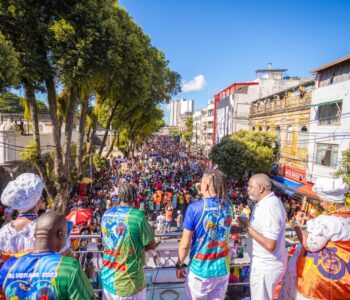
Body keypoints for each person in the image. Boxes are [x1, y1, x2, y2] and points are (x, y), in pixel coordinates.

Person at [279, 178, 350, 300]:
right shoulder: (346, 216)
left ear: (332, 203)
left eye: (322, 201)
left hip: (321, 278)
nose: (321, 204)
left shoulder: (327, 221)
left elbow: (310, 245)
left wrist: (296, 225)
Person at [0, 212, 94, 299]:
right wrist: (89, 279)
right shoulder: (69, 267)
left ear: (35, 234)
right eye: (66, 234)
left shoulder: (9, 266)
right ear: (61, 234)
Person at [176, 169, 234, 300]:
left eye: (201, 182)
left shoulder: (194, 208)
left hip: (200, 271)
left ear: (206, 186)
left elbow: (185, 244)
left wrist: (179, 264)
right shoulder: (229, 206)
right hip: (222, 268)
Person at [101, 182, 156, 300]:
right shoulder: (137, 216)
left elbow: (105, 242)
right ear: (134, 198)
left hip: (107, 280)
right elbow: (151, 244)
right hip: (129, 283)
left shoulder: (106, 214)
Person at [238, 173, 287, 300]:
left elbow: (270, 244)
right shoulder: (266, 203)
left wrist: (247, 227)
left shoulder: (270, 207)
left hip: (266, 267)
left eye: (250, 186)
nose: (248, 189)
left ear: (261, 188)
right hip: (263, 265)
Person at [0, 173, 45, 260]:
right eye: (40, 197)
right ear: (36, 201)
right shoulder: (46, 229)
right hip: (38, 272)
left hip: (9, 272)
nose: (42, 200)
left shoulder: (3, 232)